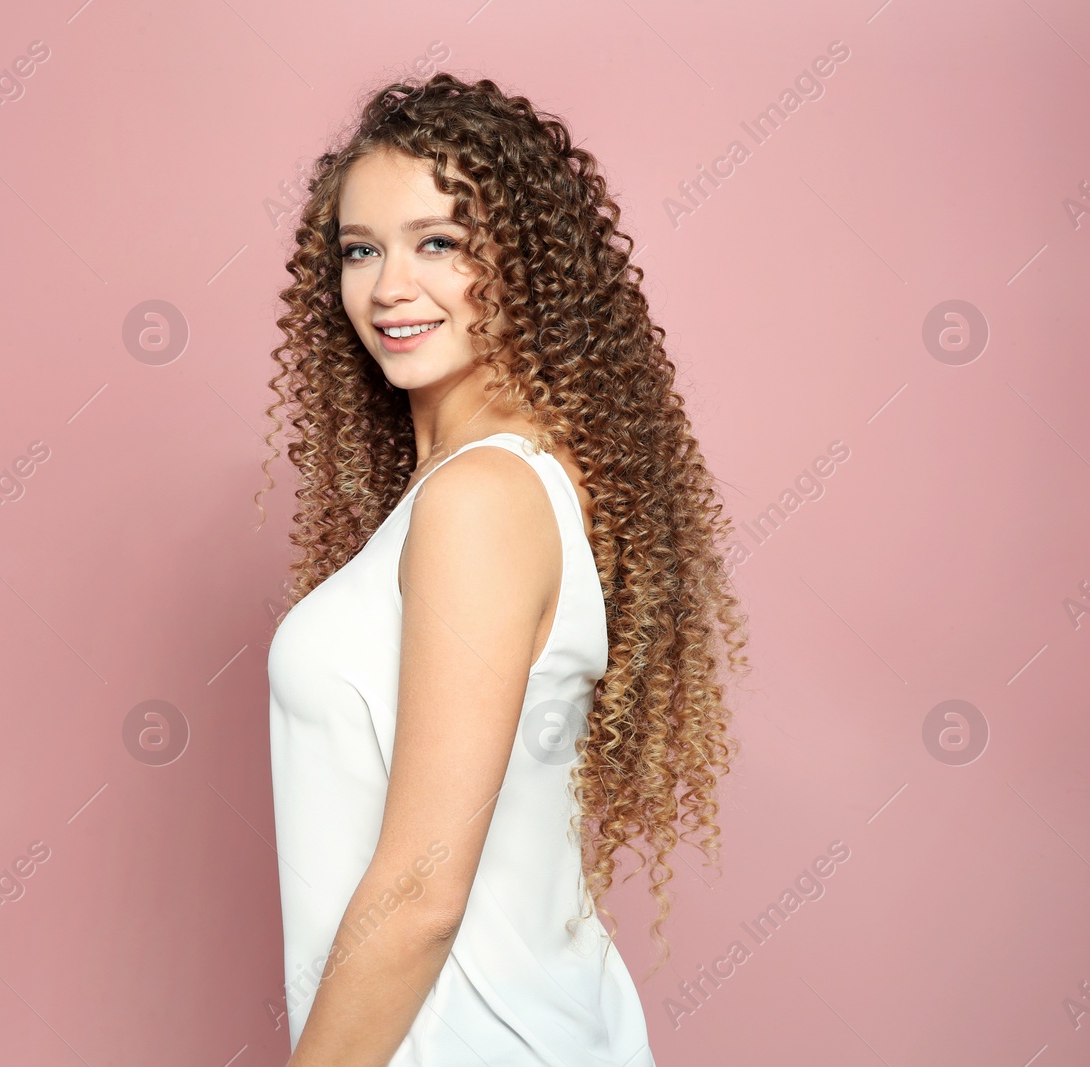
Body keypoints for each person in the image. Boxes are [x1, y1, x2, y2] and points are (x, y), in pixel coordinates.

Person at [259, 72, 748, 1066]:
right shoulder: (484, 489)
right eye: (362, 249)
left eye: (437, 242)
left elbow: (423, 893)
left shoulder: (481, 500)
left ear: (521, 262)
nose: (391, 284)